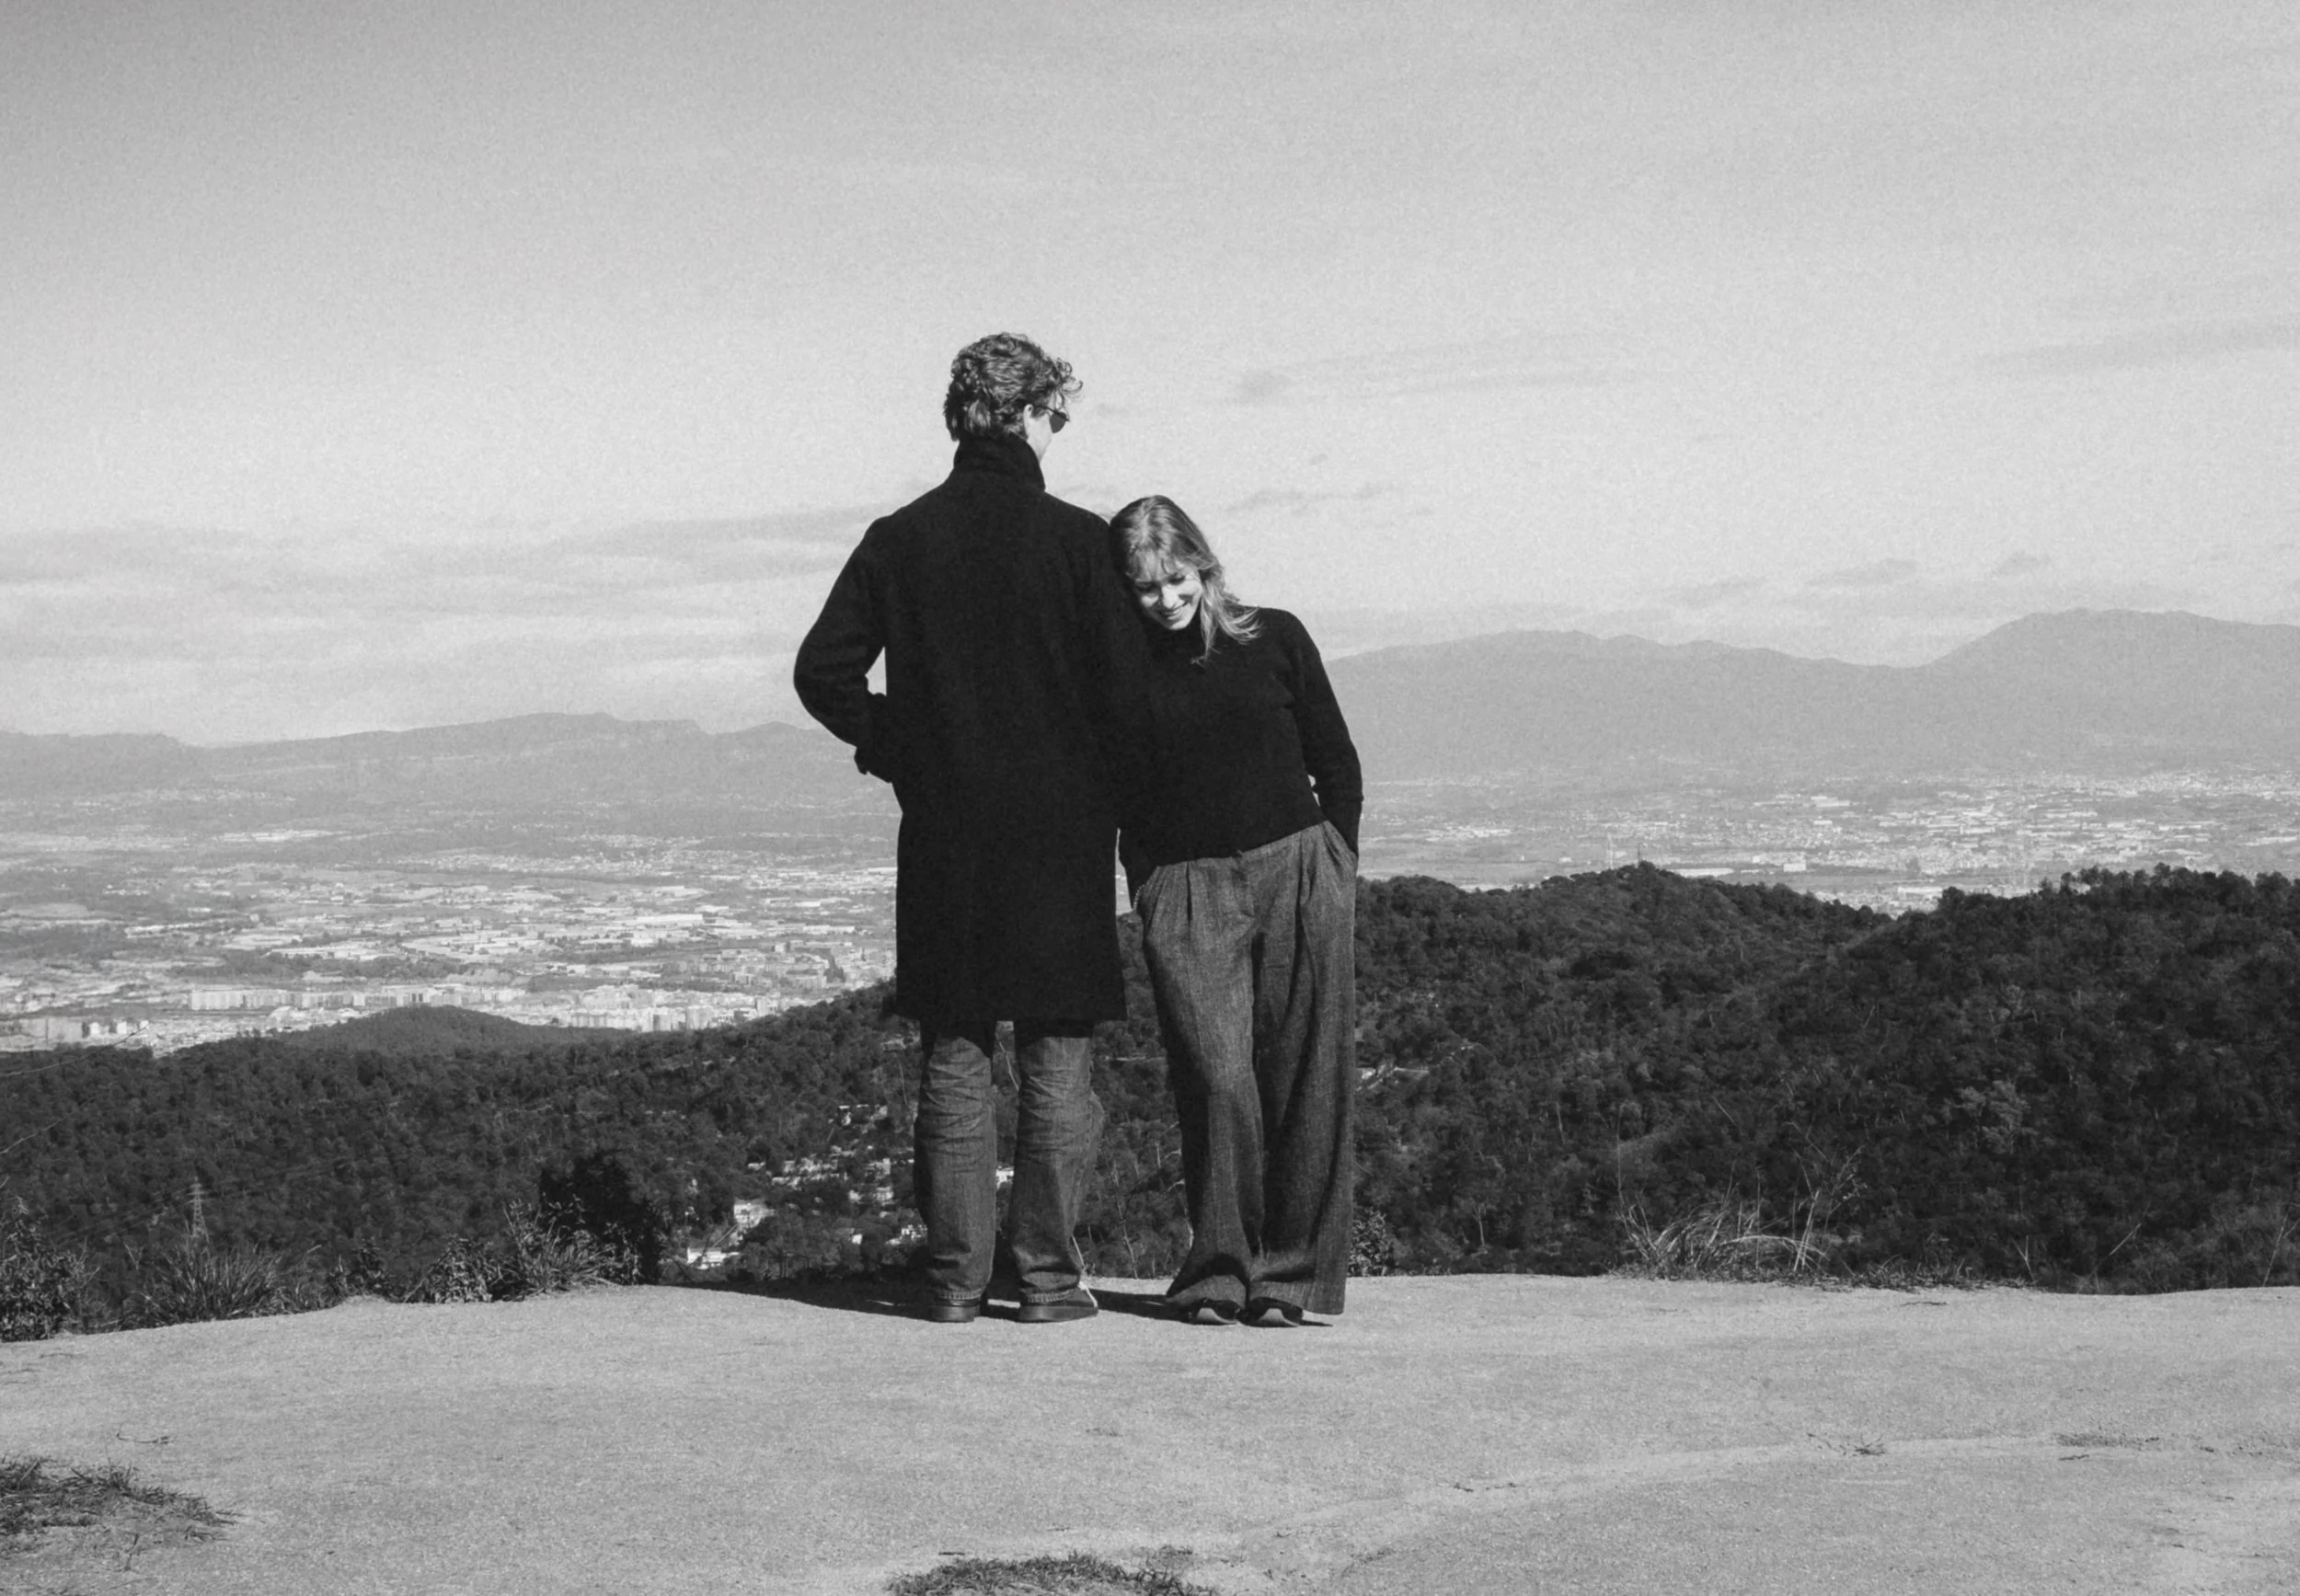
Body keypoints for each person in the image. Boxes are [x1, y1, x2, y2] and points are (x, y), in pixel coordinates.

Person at [794, 333, 1148, 1326]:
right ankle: (1040, 1279)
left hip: (946, 828)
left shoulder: (898, 539)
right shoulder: (1082, 544)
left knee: (955, 1051)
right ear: (1032, 414)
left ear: (958, 418)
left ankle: (951, 1281)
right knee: (1055, 1056)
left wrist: (895, 745)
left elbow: (823, 672)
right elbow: (1126, 693)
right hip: (1060, 832)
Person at [1110, 495, 1363, 1326]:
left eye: (1176, 578)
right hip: (1184, 885)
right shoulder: (1120, 668)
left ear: (1204, 565)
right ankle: (1219, 1269)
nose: (1167, 599)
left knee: (1305, 1074)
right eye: (1146, 587)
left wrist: (1336, 859)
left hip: (1295, 866)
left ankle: (1290, 1279)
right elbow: (1114, 789)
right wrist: (1146, 884)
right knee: (1217, 1079)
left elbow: (1336, 755)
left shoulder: (1277, 637)